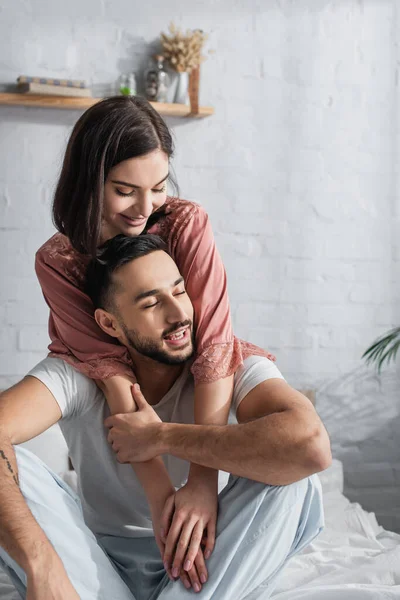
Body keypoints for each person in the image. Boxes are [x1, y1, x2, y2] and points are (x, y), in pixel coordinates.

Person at [0, 234, 331, 600]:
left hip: (206, 565)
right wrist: (41, 564)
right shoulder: (78, 374)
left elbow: (312, 445)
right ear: (109, 324)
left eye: (179, 291)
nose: (178, 315)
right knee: (15, 470)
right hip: (97, 570)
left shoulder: (226, 364)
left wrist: (162, 436)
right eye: (151, 303)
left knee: (297, 476)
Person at [34, 95, 277, 562]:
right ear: (89, 181)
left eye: (159, 186)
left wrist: (202, 484)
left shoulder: (185, 223)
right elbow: (111, 372)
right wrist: (164, 501)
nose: (145, 207)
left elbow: (213, 347)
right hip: (116, 405)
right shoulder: (58, 262)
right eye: (125, 190)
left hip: (194, 384)